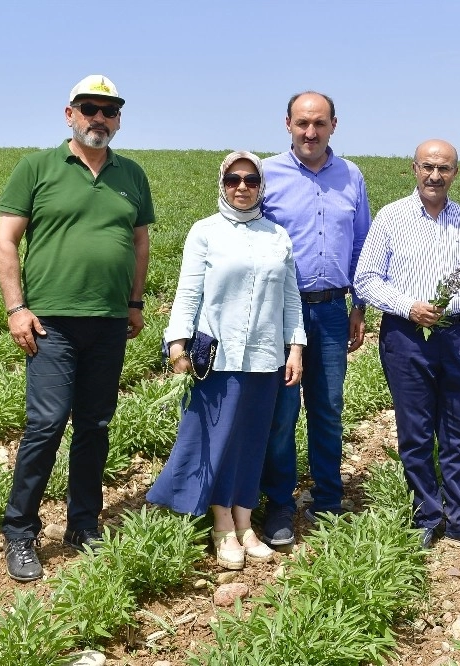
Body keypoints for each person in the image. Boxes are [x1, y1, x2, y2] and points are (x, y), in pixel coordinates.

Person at [0, 75, 153, 582]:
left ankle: (83, 525)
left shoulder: (131, 174)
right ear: (70, 114)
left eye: (109, 110)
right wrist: (17, 308)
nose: (98, 118)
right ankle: (20, 531)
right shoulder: (37, 167)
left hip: (107, 322)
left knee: (96, 425)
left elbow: (140, 243)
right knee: (45, 424)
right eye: (89, 108)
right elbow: (5, 241)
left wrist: (133, 302)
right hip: (50, 321)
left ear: (119, 119)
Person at [146, 151, 306, 570]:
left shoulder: (277, 235)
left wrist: (295, 347)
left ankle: (245, 519)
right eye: (233, 179)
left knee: (254, 439)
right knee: (218, 439)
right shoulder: (205, 233)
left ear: (261, 185)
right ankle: (221, 525)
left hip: (266, 356)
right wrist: (177, 344)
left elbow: (291, 298)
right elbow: (188, 293)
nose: (241, 187)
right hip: (217, 355)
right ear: (222, 182)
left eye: (250, 179)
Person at [354, 139, 460, 557]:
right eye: (428, 167)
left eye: (444, 168)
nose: (435, 175)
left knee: (459, 432)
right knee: (415, 432)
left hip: (455, 337)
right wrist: (407, 306)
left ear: (456, 173)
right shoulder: (391, 217)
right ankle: (426, 515)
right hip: (405, 337)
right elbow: (365, 279)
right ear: (414, 169)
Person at [258, 91, 371, 547]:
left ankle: (327, 498)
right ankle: (280, 503)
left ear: (333, 126)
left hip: (330, 309)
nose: (310, 132)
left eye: (319, 123)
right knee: (282, 412)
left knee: (327, 407)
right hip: (282, 310)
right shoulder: (266, 174)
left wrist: (359, 306)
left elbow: (362, 244)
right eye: (302, 123)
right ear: (287, 123)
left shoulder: (351, 176)